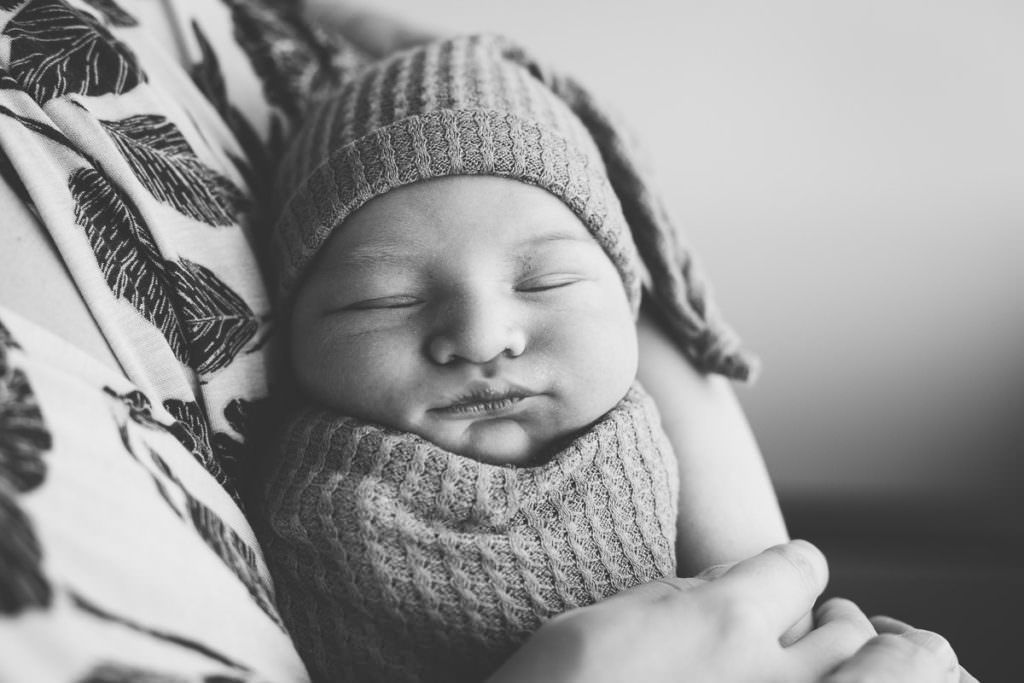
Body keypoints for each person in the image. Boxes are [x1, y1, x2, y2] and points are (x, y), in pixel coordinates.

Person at [0, 2, 972, 682]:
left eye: (546, 282)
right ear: (292, 337)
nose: (479, 336)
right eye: (381, 300)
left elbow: (782, 598)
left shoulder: (654, 419)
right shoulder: (305, 487)